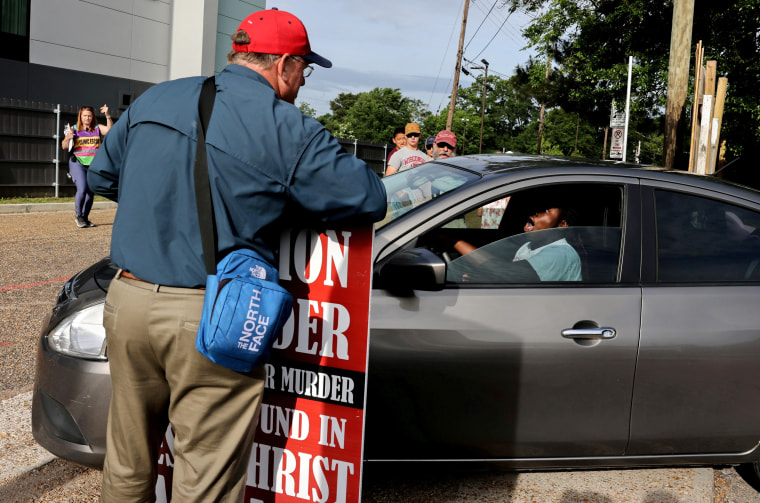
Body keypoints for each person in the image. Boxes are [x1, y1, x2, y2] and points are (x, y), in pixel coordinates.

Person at [87, 8, 387, 502]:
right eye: (304, 71)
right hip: (211, 313)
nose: (301, 82)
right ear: (285, 65)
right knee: (204, 476)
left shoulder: (157, 97)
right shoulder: (286, 126)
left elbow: (101, 177)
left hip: (128, 299)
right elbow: (368, 198)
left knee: (127, 460)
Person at [453, 205, 582, 281]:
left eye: (547, 211)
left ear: (562, 225)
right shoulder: (528, 246)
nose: (537, 212)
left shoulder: (560, 253)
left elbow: (508, 273)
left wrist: (455, 242)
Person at [61, 105, 112, 228]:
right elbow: (63, 146)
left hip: (93, 165)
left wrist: (107, 115)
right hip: (77, 163)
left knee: (90, 192)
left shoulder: (97, 128)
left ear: (92, 116)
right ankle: (78, 216)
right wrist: (68, 138)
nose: (87, 118)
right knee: (82, 189)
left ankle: (85, 218)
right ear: (80, 116)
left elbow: (110, 131)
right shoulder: (73, 129)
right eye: (85, 115)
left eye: (89, 115)